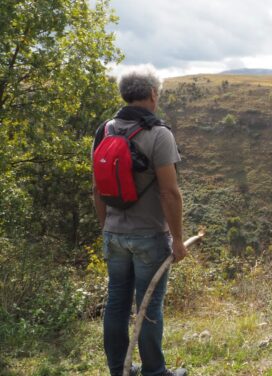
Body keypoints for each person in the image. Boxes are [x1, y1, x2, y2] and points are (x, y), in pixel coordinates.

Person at [92, 67, 187, 376]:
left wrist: (105, 227)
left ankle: (119, 369)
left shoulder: (105, 130)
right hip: (149, 237)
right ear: (152, 94)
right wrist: (178, 239)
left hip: (114, 233)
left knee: (117, 302)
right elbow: (169, 193)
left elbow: (98, 188)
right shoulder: (159, 134)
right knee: (148, 307)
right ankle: (155, 372)